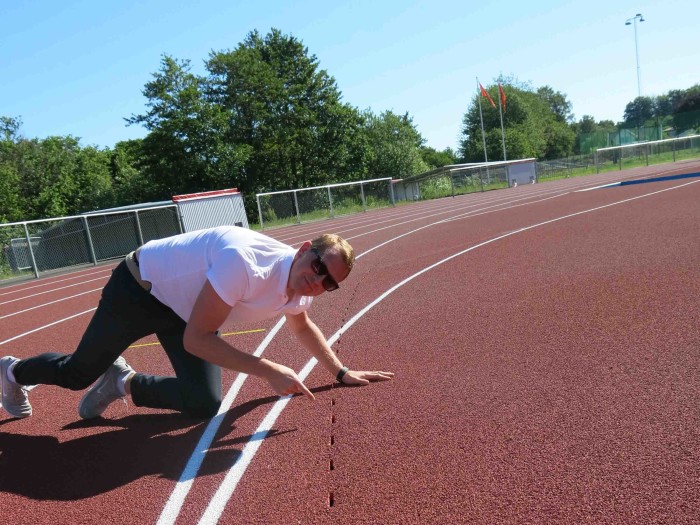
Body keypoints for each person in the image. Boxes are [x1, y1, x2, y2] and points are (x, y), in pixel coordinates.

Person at [0, 226, 393, 420]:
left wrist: (340, 372)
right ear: (304, 250)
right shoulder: (245, 263)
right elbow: (198, 340)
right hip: (139, 290)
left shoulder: (301, 287)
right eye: (319, 267)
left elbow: (302, 327)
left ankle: (122, 381)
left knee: (204, 402)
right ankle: (12, 371)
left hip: (188, 307)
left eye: (329, 283)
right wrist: (269, 369)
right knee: (77, 373)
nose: (318, 282)